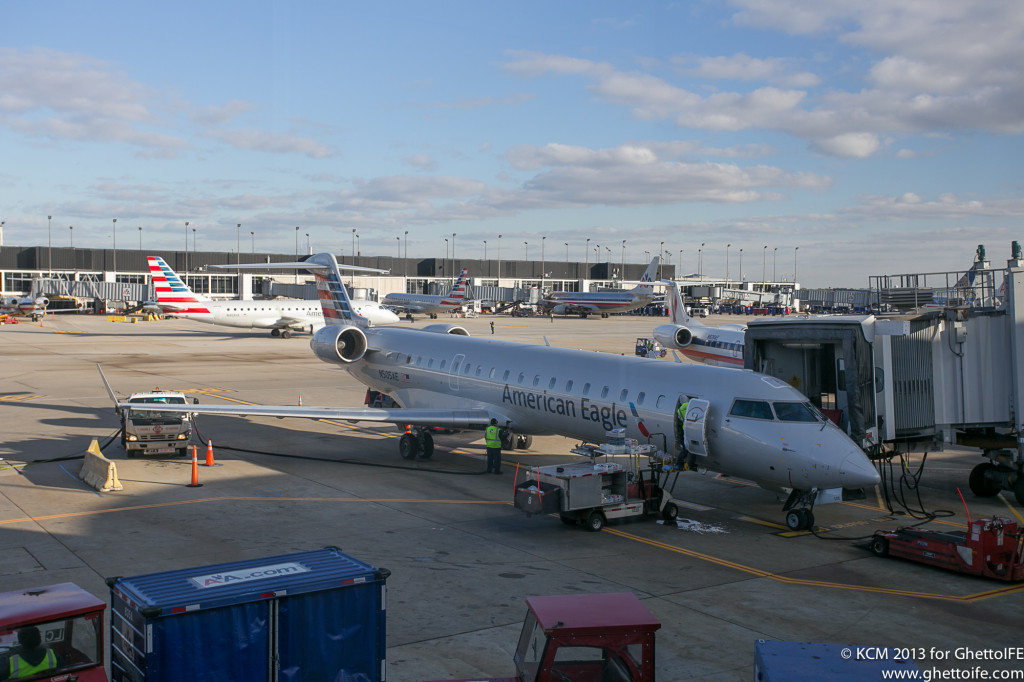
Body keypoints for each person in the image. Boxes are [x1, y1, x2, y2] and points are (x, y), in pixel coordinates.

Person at [675, 399, 695, 471]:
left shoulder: (679, 410)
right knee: (688, 448)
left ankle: (681, 463)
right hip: (690, 428)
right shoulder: (688, 405)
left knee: (687, 447)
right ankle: (688, 464)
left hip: (685, 428)